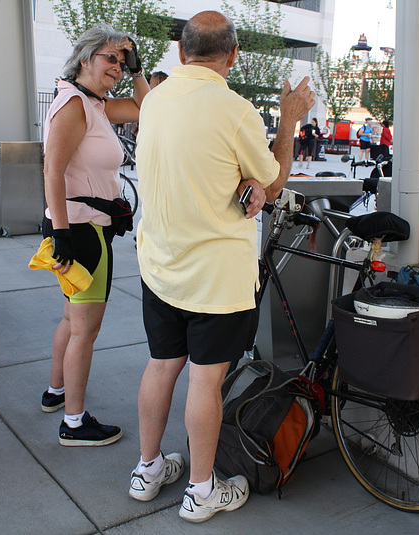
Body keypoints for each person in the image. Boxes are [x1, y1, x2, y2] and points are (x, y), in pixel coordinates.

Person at [129, 10, 314, 523]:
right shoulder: (234, 109)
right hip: (214, 278)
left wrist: (240, 184)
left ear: (182, 53)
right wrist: (290, 115)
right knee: (206, 382)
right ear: (231, 56)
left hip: (160, 264)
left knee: (162, 365)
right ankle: (201, 490)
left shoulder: (156, 101)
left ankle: (147, 471)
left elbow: (193, 168)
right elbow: (273, 182)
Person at [41, 24, 149, 446]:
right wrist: (64, 234)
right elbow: (52, 169)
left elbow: (145, 105)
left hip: (85, 225)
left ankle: (56, 391)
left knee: (72, 318)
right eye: (111, 59)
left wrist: (138, 65)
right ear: (85, 58)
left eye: (122, 63)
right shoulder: (75, 105)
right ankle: (74, 423)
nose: (118, 69)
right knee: (86, 329)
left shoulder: (95, 104)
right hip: (81, 230)